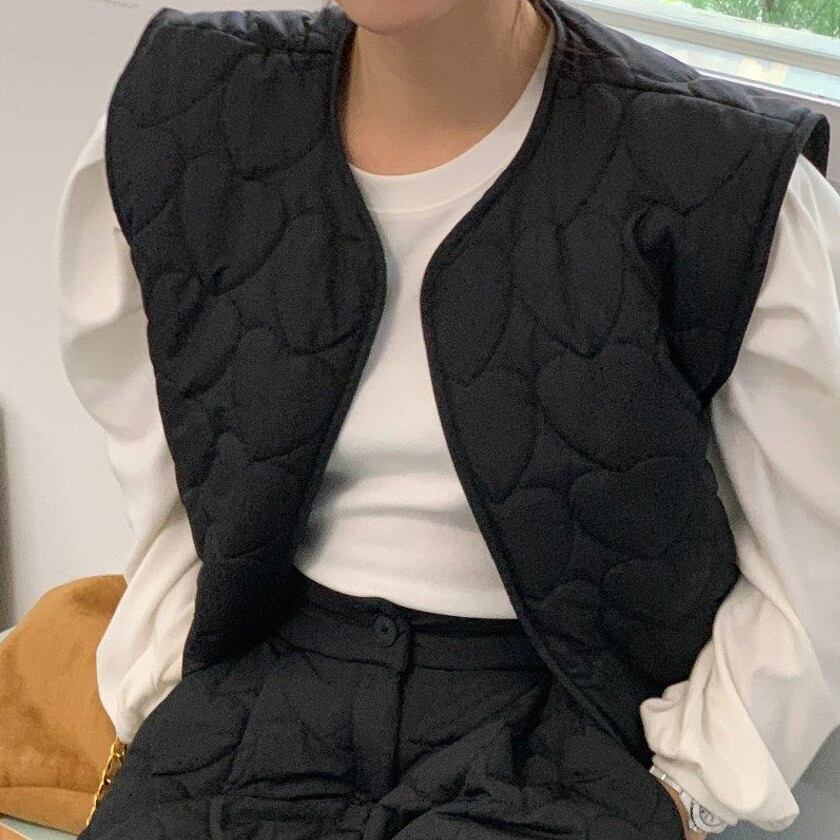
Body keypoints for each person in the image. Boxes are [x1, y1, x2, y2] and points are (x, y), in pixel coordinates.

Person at [55, 1, 840, 838]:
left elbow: (816, 547)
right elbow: (158, 434)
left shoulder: (719, 170)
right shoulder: (187, 107)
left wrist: (692, 788)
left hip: (575, 720)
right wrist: (168, 679)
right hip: (262, 682)